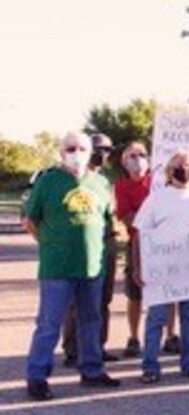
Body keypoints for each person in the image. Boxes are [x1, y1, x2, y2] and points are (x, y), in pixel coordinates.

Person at [23, 132, 123, 401]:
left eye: (81, 148)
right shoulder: (48, 182)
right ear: (61, 151)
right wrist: (50, 243)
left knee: (91, 321)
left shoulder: (101, 183)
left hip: (91, 267)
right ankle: (37, 377)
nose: (76, 153)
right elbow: (29, 221)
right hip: (57, 269)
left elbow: (107, 222)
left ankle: (91, 370)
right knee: (49, 324)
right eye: (70, 148)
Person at [132, 151, 189, 383]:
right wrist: (137, 267)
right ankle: (150, 367)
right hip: (161, 269)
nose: (183, 170)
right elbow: (139, 234)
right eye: (178, 166)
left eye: (187, 166)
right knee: (157, 319)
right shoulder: (156, 198)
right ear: (169, 171)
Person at [62, 132, 120, 366]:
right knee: (76, 300)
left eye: (107, 150)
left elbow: (111, 214)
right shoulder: (70, 178)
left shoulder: (104, 182)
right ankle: (73, 349)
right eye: (98, 149)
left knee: (103, 299)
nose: (102, 154)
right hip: (78, 246)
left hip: (106, 243)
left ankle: (97, 346)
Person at [114, 141, 173, 358]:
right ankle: (134, 337)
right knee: (135, 293)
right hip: (138, 243)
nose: (137, 159)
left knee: (169, 290)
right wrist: (148, 221)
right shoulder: (121, 186)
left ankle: (171, 335)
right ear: (124, 161)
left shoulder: (159, 182)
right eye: (132, 155)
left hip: (164, 244)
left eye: (142, 154)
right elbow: (126, 216)